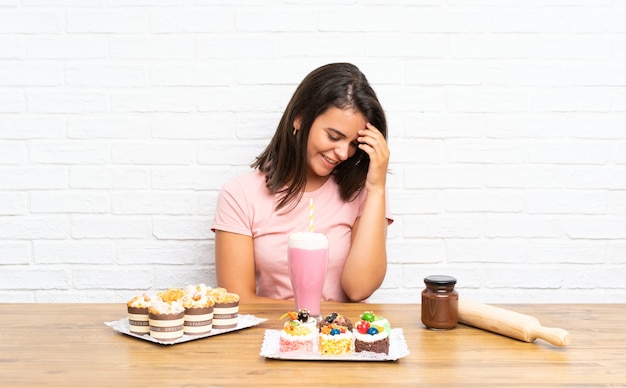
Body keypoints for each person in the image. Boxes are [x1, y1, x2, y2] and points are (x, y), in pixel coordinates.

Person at [211, 62, 392, 303]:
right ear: (300, 118)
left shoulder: (365, 194)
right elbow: (239, 301)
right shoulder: (240, 195)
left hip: (340, 338)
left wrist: (377, 189)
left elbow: (358, 289)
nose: (343, 153)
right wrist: (306, 318)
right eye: (334, 136)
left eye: (353, 144)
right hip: (276, 336)